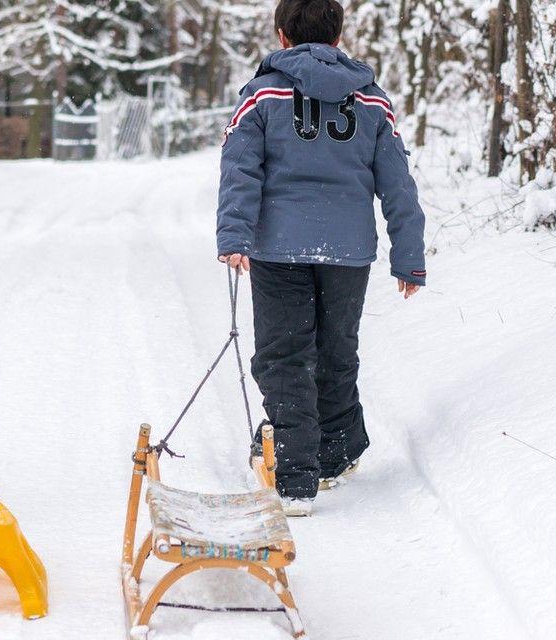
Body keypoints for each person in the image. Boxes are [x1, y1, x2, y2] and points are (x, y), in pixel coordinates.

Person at [217, 0, 427, 516]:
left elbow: (240, 168)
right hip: (348, 249)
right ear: (338, 36)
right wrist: (409, 257)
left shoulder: (261, 93)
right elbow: (397, 183)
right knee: (336, 349)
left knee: (284, 354)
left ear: (282, 35)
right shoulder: (372, 100)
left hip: (278, 246)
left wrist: (235, 236)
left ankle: (294, 478)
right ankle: (333, 455)